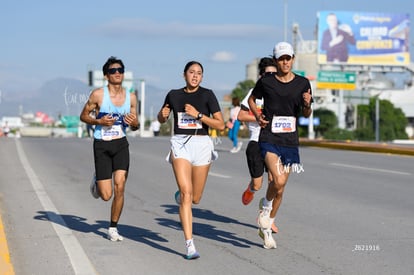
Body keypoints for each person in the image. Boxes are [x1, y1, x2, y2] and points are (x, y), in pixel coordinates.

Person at [248, 42, 313, 249]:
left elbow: (306, 114)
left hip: (290, 141)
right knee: (277, 179)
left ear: (293, 59)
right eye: (282, 59)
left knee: (281, 187)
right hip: (269, 138)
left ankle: (267, 227)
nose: (286, 62)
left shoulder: (303, 83)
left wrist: (308, 104)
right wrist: (258, 116)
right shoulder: (267, 81)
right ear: (276, 61)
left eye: (289, 58)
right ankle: (265, 209)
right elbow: (252, 99)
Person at [157, 61, 225, 260]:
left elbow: (220, 124)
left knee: (195, 198)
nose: (195, 76)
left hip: (202, 144)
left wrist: (199, 115)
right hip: (180, 144)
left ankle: (182, 196)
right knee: (187, 194)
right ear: (184, 74)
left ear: (202, 77)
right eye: (191, 72)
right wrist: (162, 116)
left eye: (199, 73)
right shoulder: (174, 95)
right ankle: (190, 245)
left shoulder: (207, 95)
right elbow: (162, 117)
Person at [80, 56, 139, 242]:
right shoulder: (98, 95)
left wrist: (135, 122)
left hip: (121, 143)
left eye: (120, 70)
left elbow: (136, 125)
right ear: (106, 75)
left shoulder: (131, 97)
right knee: (106, 195)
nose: (117, 73)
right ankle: (98, 178)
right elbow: (83, 116)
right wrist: (99, 121)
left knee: (120, 186)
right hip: (102, 145)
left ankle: (113, 228)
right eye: (113, 71)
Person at [238, 57, 279, 234]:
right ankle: (251, 189)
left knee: (275, 181)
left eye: (273, 73)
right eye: (267, 74)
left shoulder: (280, 93)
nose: (270, 76)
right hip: (256, 142)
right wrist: (258, 116)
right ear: (261, 75)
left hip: (275, 143)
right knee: (258, 184)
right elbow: (240, 115)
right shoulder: (254, 93)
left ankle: (267, 216)